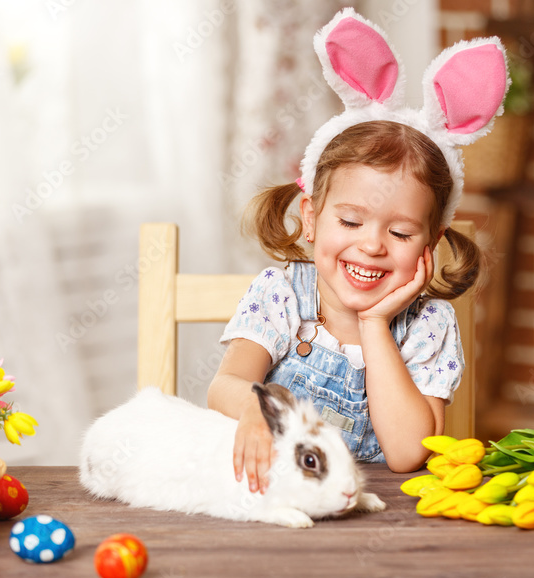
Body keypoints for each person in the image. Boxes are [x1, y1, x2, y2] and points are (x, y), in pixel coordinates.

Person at [206, 8, 509, 491]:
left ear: (429, 245)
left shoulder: (427, 325)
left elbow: (408, 453)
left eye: (402, 234)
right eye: (350, 221)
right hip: (277, 494)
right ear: (310, 218)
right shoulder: (282, 294)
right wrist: (255, 409)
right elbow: (224, 384)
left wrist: (374, 324)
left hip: (372, 509)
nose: (371, 245)